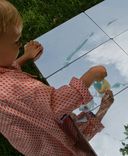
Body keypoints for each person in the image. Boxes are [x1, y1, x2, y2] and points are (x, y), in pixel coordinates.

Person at [0, 0, 114, 155]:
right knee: (77, 145)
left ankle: (99, 112)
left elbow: (5, 72)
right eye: (15, 41)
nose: (20, 45)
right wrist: (90, 76)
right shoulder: (16, 88)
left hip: (31, 140)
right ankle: (100, 113)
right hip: (51, 144)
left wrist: (24, 58)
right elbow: (56, 104)